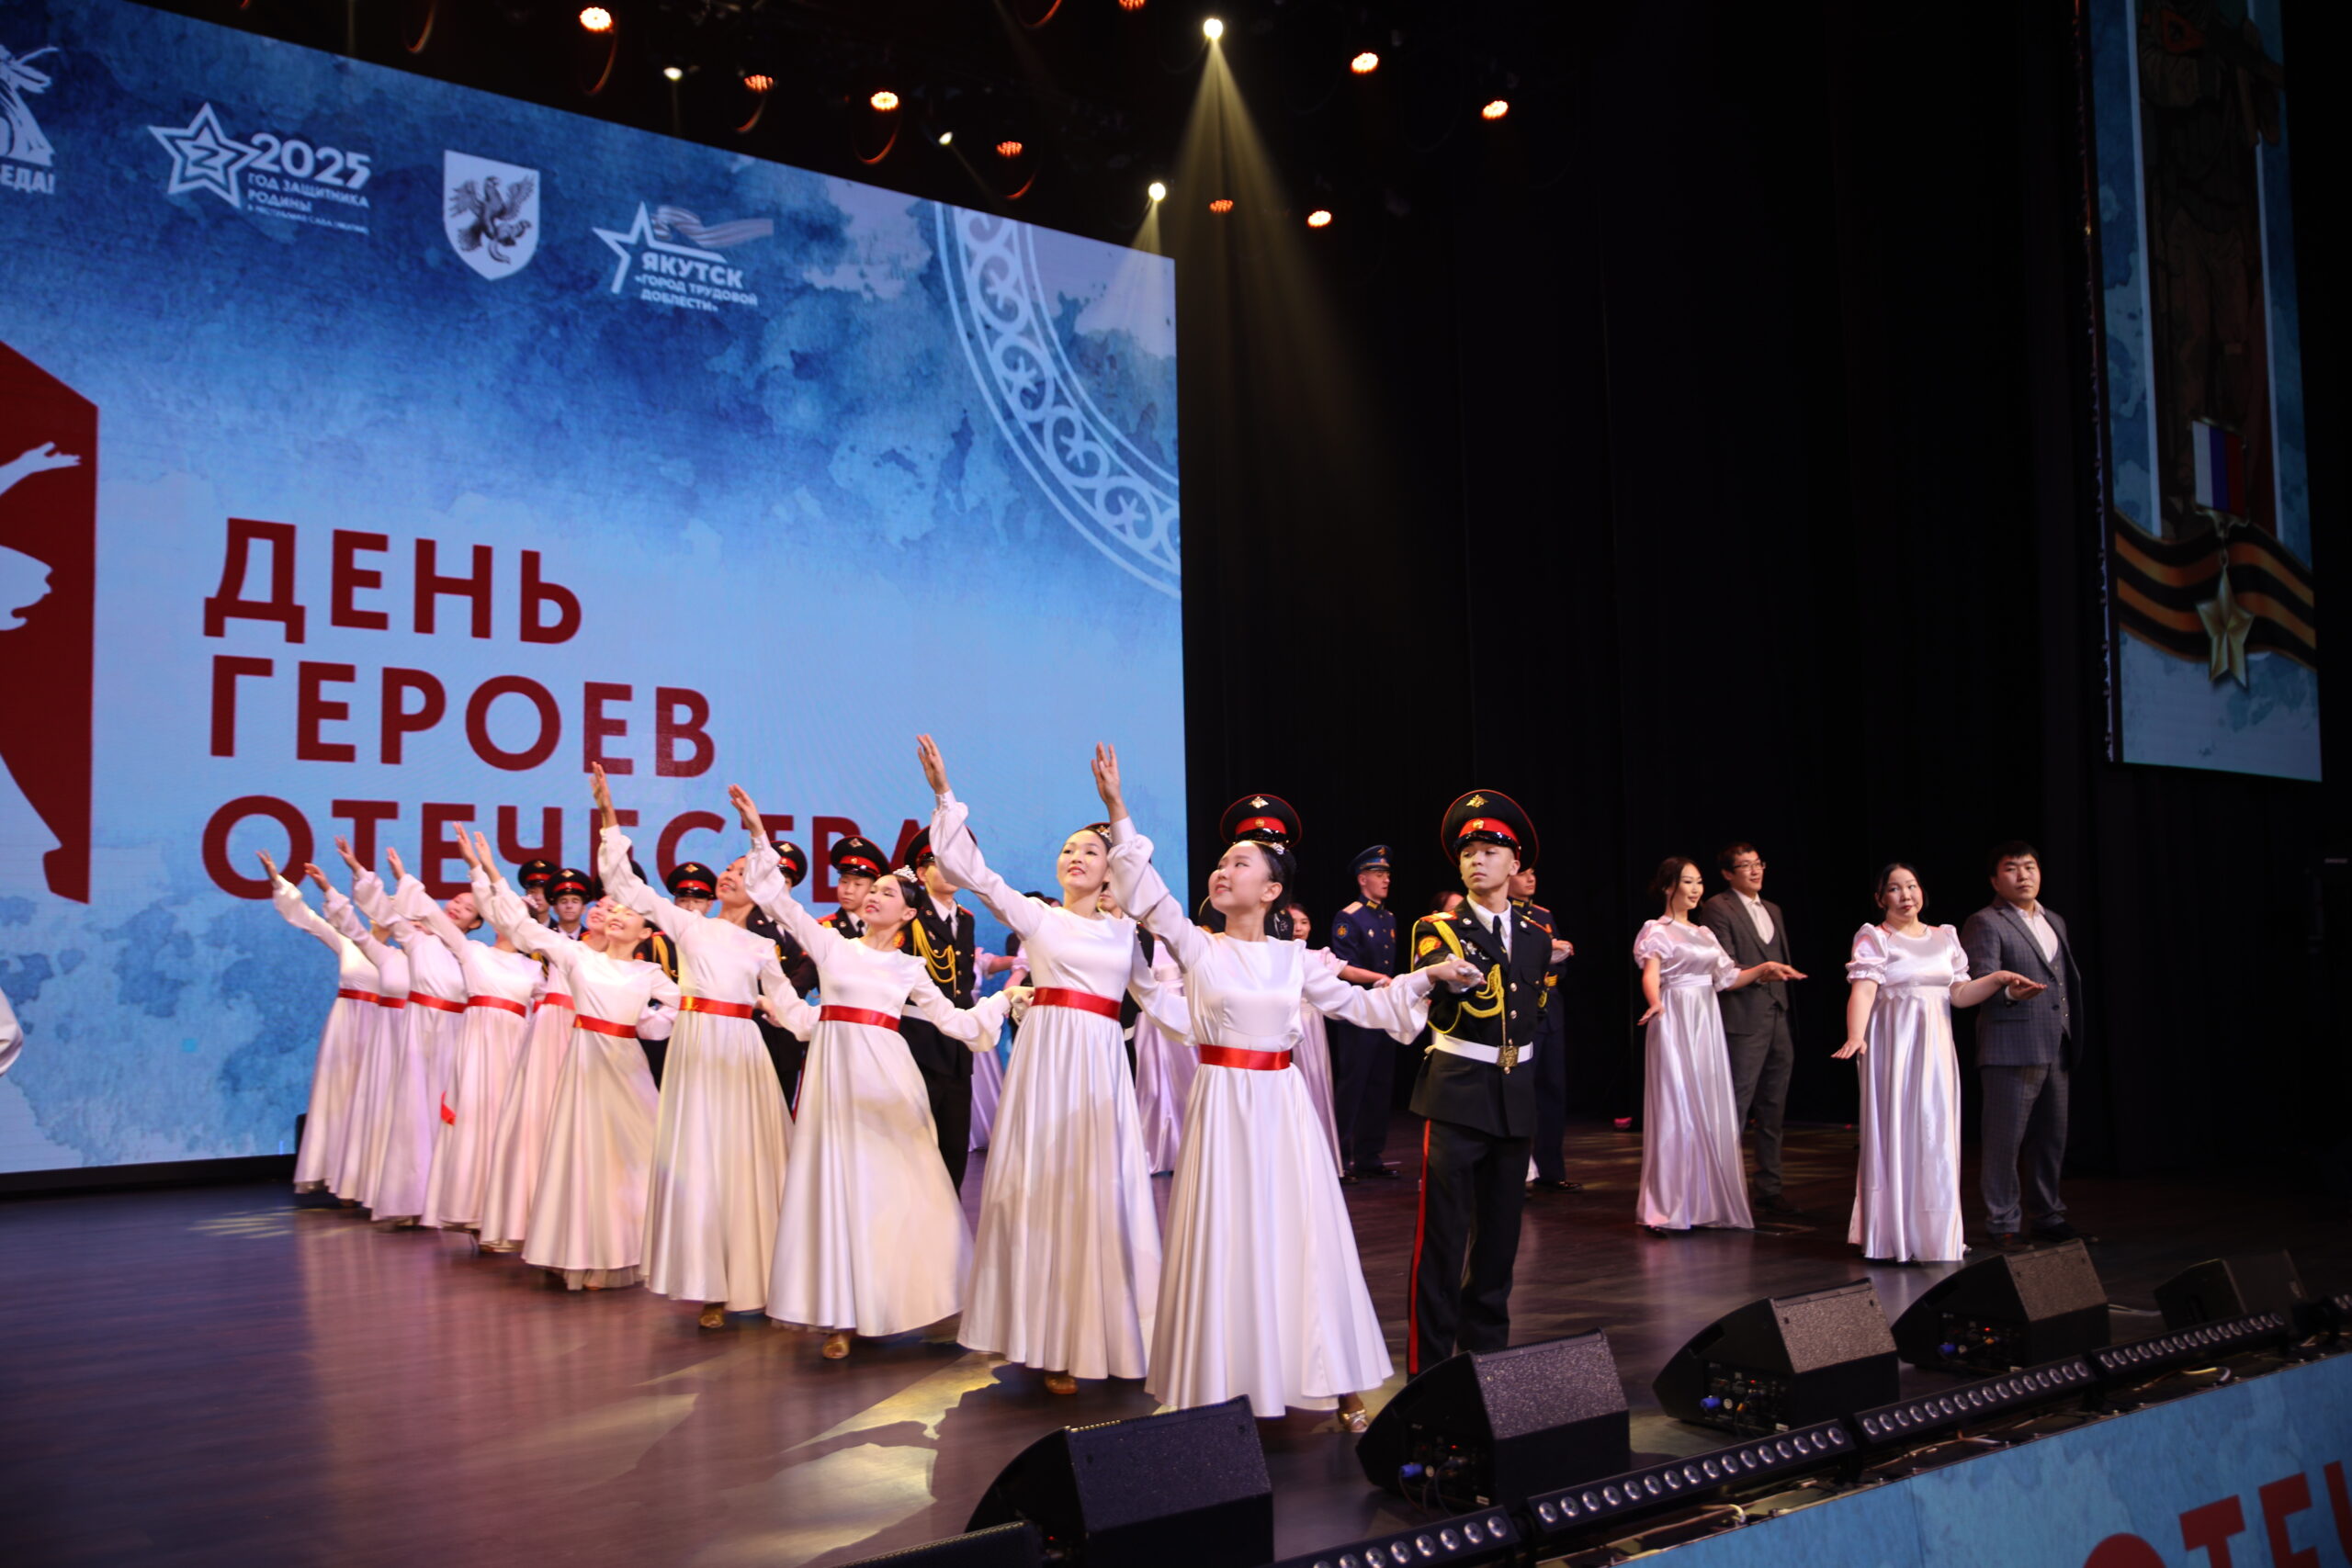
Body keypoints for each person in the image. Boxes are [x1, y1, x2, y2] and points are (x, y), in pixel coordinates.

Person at [1096, 750, 1475, 1425]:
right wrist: (1118, 810)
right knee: (1224, 1236)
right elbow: (1148, 896)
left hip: (1281, 1107)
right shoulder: (1200, 945)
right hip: (1221, 1104)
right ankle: (1215, 1380)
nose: (1223, 870)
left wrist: (1427, 976)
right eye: (1221, 862)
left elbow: (1368, 1007)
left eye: (1240, 863)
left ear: (1273, 890)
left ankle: (1337, 1381)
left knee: (1302, 1235)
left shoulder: (1294, 959)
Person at [732, 784, 1018, 1360]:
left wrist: (1006, 999)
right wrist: (760, 836)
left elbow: (957, 1022)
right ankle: (839, 1313)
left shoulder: (909, 967)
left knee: (893, 1187)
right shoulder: (832, 945)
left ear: (908, 912)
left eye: (888, 892)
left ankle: (905, 1298)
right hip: (834, 1079)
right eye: (873, 890)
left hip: (886, 1081)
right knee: (836, 1184)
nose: (874, 896)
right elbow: (779, 902)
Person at [919, 735, 1166, 1393]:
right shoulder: (1038, 917)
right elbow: (971, 869)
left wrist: (1115, 806)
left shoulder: (1126, 932)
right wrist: (944, 794)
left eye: (1089, 851)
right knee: (1045, 1186)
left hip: (1100, 1066)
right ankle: (1047, 1337)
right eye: (1066, 850)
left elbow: (1159, 1000)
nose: (1074, 857)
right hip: (1048, 1063)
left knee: (1097, 1191)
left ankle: (1102, 1329)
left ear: (1111, 870)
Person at [591, 767, 796, 1326]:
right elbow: (626, 887)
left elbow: (792, 1011)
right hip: (696, 1048)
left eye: (740, 872)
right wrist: (609, 818)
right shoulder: (690, 925)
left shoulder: (762, 947)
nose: (728, 876)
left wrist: (849, 1028)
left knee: (744, 1161)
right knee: (701, 1159)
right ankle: (711, 1283)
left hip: (741, 1056)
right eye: (728, 869)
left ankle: (759, 1276)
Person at [476, 832, 677, 1290]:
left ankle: (627, 1251)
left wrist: (649, 1022)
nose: (618, 915)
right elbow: (523, 928)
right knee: (584, 1155)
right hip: (584, 1065)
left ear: (646, 933)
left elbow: (684, 1006)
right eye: (614, 910)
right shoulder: (579, 956)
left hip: (626, 1068)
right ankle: (581, 1251)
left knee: (630, 1155)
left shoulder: (648, 971)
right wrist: (491, 872)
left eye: (629, 913)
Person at [1404, 791, 1560, 1374]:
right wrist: (1449, 977)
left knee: (1499, 1242)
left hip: (1514, 1093)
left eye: (1490, 851)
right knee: (1443, 1241)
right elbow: (1432, 973)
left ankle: (1487, 1365)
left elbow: (1533, 1009)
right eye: (1469, 852)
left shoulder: (1537, 934)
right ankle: (1429, 1372)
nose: (1477, 860)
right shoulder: (1439, 928)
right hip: (1458, 1090)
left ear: (1515, 864)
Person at [1838, 863, 2045, 1262]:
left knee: (1934, 1134)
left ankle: (1934, 1237)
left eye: (1912, 886)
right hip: (1894, 1049)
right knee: (1898, 1131)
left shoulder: (1944, 937)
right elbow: (1863, 991)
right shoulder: (1875, 938)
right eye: (1895, 888)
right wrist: (1856, 1035)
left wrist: (2000, 980)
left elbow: (1960, 994)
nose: (1906, 895)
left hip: (1935, 1051)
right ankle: (1893, 1235)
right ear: (1881, 898)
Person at [1634, 858, 1806, 1235]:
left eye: (1699, 882)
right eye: (1687, 882)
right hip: (1676, 1017)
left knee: (1708, 1108)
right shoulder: (1656, 930)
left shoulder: (1704, 934)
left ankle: (1704, 1203)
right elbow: (1651, 974)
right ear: (1668, 887)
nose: (1696, 889)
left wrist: (1764, 969)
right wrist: (1656, 1002)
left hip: (1706, 1021)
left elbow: (1727, 978)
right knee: (1677, 1107)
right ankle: (1667, 1207)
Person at [393, 849, 544, 1234]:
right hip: (477, 1049)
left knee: (506, 1126)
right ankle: (468, 1209)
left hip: (514, 1051)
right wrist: (468, 867)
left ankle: (508, 1212)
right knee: (472, 1122)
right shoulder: (472, 951)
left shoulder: (535, 970)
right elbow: (432, 916)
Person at [342, 839, 485, 1227]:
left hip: (454, 1036)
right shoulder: (417, 938)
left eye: (468, 908)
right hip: (418, 1034)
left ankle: (446, 1201)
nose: (457, 907)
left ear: (475, 923)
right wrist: (360, 871)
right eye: (456, 901)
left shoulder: (474, 955)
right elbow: (383, 912)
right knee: (412, 1114)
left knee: (445, 1116)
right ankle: (406, 1200)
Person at [1960, 842, 2088, 1250]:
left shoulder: (2054, 920)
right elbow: (1980, 980)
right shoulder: (1985, 922)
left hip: (2056, 1044)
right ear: (1995, 880)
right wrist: (2010, 993)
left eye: (2030, 867)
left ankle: (2048, 1215)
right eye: (2012, 869)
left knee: (2051, 1138)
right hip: (2010, 1046)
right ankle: (2003, 1221)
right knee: (2004, 1141)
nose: (2023, 875)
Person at [260, 852, 381, 1195]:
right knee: (339, 1098)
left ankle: (368, 1180)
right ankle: (338, 1176)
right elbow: (308, 919)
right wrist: (278, 882)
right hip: (346, 1027)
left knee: (374, 1103)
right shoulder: (350, 944)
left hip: (384, 1029)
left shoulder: (407, 955)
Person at [1699, 843, 1801, 1215]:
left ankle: (1769, 1187)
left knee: (1773, 1107)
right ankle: (1723, 1189)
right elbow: (1723, 964)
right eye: (1745, 866)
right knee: (1736, 1106)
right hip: (1743, 1018)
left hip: (1777, 1015)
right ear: (1728, 874)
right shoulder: (1718, 906)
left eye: (1758, 864)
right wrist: (1762, 973)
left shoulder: (1773, 909)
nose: (1755, 871)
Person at [898, 819, 983, 1192]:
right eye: (939, 862)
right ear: (921, 873)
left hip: (957, 1047)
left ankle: (951, 1217)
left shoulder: (966, 919)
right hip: (918, 1042)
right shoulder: (909, 913)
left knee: (953, 1144)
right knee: (915, 1142)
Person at [1327, 846, 1401, 1182]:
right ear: (1363, 879)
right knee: (1354, 1084)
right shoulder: (1350, 917)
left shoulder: (1388, 918)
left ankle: (1370, 1155)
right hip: (1359, 1010)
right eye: (1379, 874)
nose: (1386, 880)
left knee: (1380, 1083)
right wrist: (1380, 979)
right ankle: (1341, 1157)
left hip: (1384, 1010)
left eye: (1387, 874)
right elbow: (1345, 967)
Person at [1512, 865, 1580, 1195]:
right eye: (1523, 873)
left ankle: (1551, 1170)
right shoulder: (1505, 914)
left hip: (1550, 1008)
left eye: (1533, 873)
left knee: (1553, 1091)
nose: (1531, 879)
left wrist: (1556, 957)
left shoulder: (1543, 914)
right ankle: (1517, 1173)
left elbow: (1560, 967)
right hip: (1523, 1009)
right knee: (1520, 1092)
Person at [819, 833, 888, 940]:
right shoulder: (823, 929)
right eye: (844, 882)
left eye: (858, 884)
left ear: (873, 889)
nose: (848, 890)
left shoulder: (887, 929)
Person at [547, 867, 595, 939]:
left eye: (575, 901)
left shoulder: (592, 939)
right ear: (555, 908)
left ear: (583, 908)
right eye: (563, 901)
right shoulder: (544, 938)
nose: (569, 906)